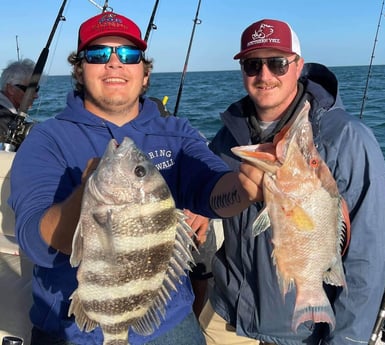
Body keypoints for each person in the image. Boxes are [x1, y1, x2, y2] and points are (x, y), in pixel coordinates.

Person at [8, 11, 263, 345]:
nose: (115, 63)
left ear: (144, 73)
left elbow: (213, 188)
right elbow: (35, 242)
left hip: (165, 319)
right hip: (72, 327)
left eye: (128, 54)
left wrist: (246, 187)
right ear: (80, 70)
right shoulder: (47, 139)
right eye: (99, 54)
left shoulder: (175, 132)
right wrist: (90, 194)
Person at [199, 18, 385, 345]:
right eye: (252, 64)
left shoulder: (348, 138)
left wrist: (347, 339)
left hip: (300, 331)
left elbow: (369, 255)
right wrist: (201, 207)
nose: (264, 75)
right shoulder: (226, 137)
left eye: (277, 63)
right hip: (226, 314)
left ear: (298, 65)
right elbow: (216, 199)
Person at [0, 58, 38, 145]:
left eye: (37, 89)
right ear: (11, 89)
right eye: (31, 89)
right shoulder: (3, 122)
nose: (36, 95)